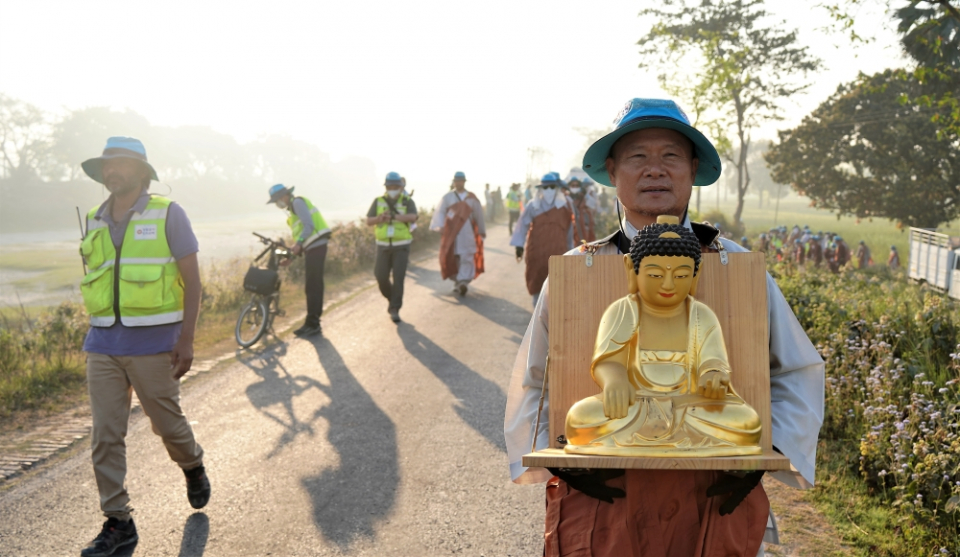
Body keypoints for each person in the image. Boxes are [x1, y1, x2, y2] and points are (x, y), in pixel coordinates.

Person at [503, 99, 824, 557]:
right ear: (612, 172)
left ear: (693, 169)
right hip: (605, 486)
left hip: (713, 483)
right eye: (638, 157)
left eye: (670, 156)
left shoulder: (735, 267)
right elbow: (533, 378)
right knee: (583, 420)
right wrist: (562, 460)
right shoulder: (579, 270)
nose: (655, 170)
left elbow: (796, 371)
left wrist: (759, 456)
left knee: (740, 422)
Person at [77, 137, 210, 557]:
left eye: (118, 164)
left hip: (154, 343)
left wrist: (186, 339)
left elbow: (193, 281)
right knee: (105, 435)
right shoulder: (95, 220)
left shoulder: (169, 214)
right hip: (102, 343)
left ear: (140, 170)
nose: (110, 171)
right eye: (105, 166)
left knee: (167, 425)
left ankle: (192, 465)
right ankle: (119, 521)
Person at [267, 183, 332, 336]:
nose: (278, 204)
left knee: (313, 286)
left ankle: (313, 323)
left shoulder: (297, 203)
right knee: (312, 285)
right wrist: (292, 256)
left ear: (285, 196)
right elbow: (302, 240)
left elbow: (308, 226)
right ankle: (312, 322)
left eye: (278, 200)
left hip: (317, 245)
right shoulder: (292, 212)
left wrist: (299, 243)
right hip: (313, 247)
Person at [510, 173, 575, 307]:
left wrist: (571, 250)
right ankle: (538, 313)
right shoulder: (533, 205)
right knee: (537, 280)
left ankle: (554, 317)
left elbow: (569, 231)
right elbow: (522, 226)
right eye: (545, 188)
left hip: (559, 250)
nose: (549, 191)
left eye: (552, 187)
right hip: (537, 250)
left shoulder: (565, 206)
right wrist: (519, 246)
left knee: (558, 284)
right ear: (540, 189)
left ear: (556, 188)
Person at [366, 172, 418, 322]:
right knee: (380, 276)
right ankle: (392, 298)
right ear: (386, 187)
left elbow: (413, 217)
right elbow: (369, 221)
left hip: (401, 245)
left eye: (395, 186)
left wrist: (394, 217)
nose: (393, 189)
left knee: (398, 277)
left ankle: (395, 308)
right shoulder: (378, 201)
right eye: (390, 186)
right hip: (382, 245)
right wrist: (379, 218)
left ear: (401, 187)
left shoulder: (407, 201)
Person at [430, 171, 486, 296]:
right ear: (454, 182)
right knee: (453, 257)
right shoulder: (447, 198)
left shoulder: (472, 198)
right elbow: (439, 213)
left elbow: (479, 215)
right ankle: (458, 282)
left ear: (464, 182)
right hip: (451, 233)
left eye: (461, 181)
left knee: (466, 257)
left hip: (467, 232)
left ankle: (463, 282)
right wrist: (439, 227)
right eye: (456, 181)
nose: (458, 183)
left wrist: (482, 230)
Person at [567, 176, 598, 244]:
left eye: (577, 185)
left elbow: (593, 205)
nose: (575, 187)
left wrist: (586, 195)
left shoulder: (583, 196)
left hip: (583, 225)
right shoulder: (567, 197)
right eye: (573, 185)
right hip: (570, 226)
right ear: (569, 186)